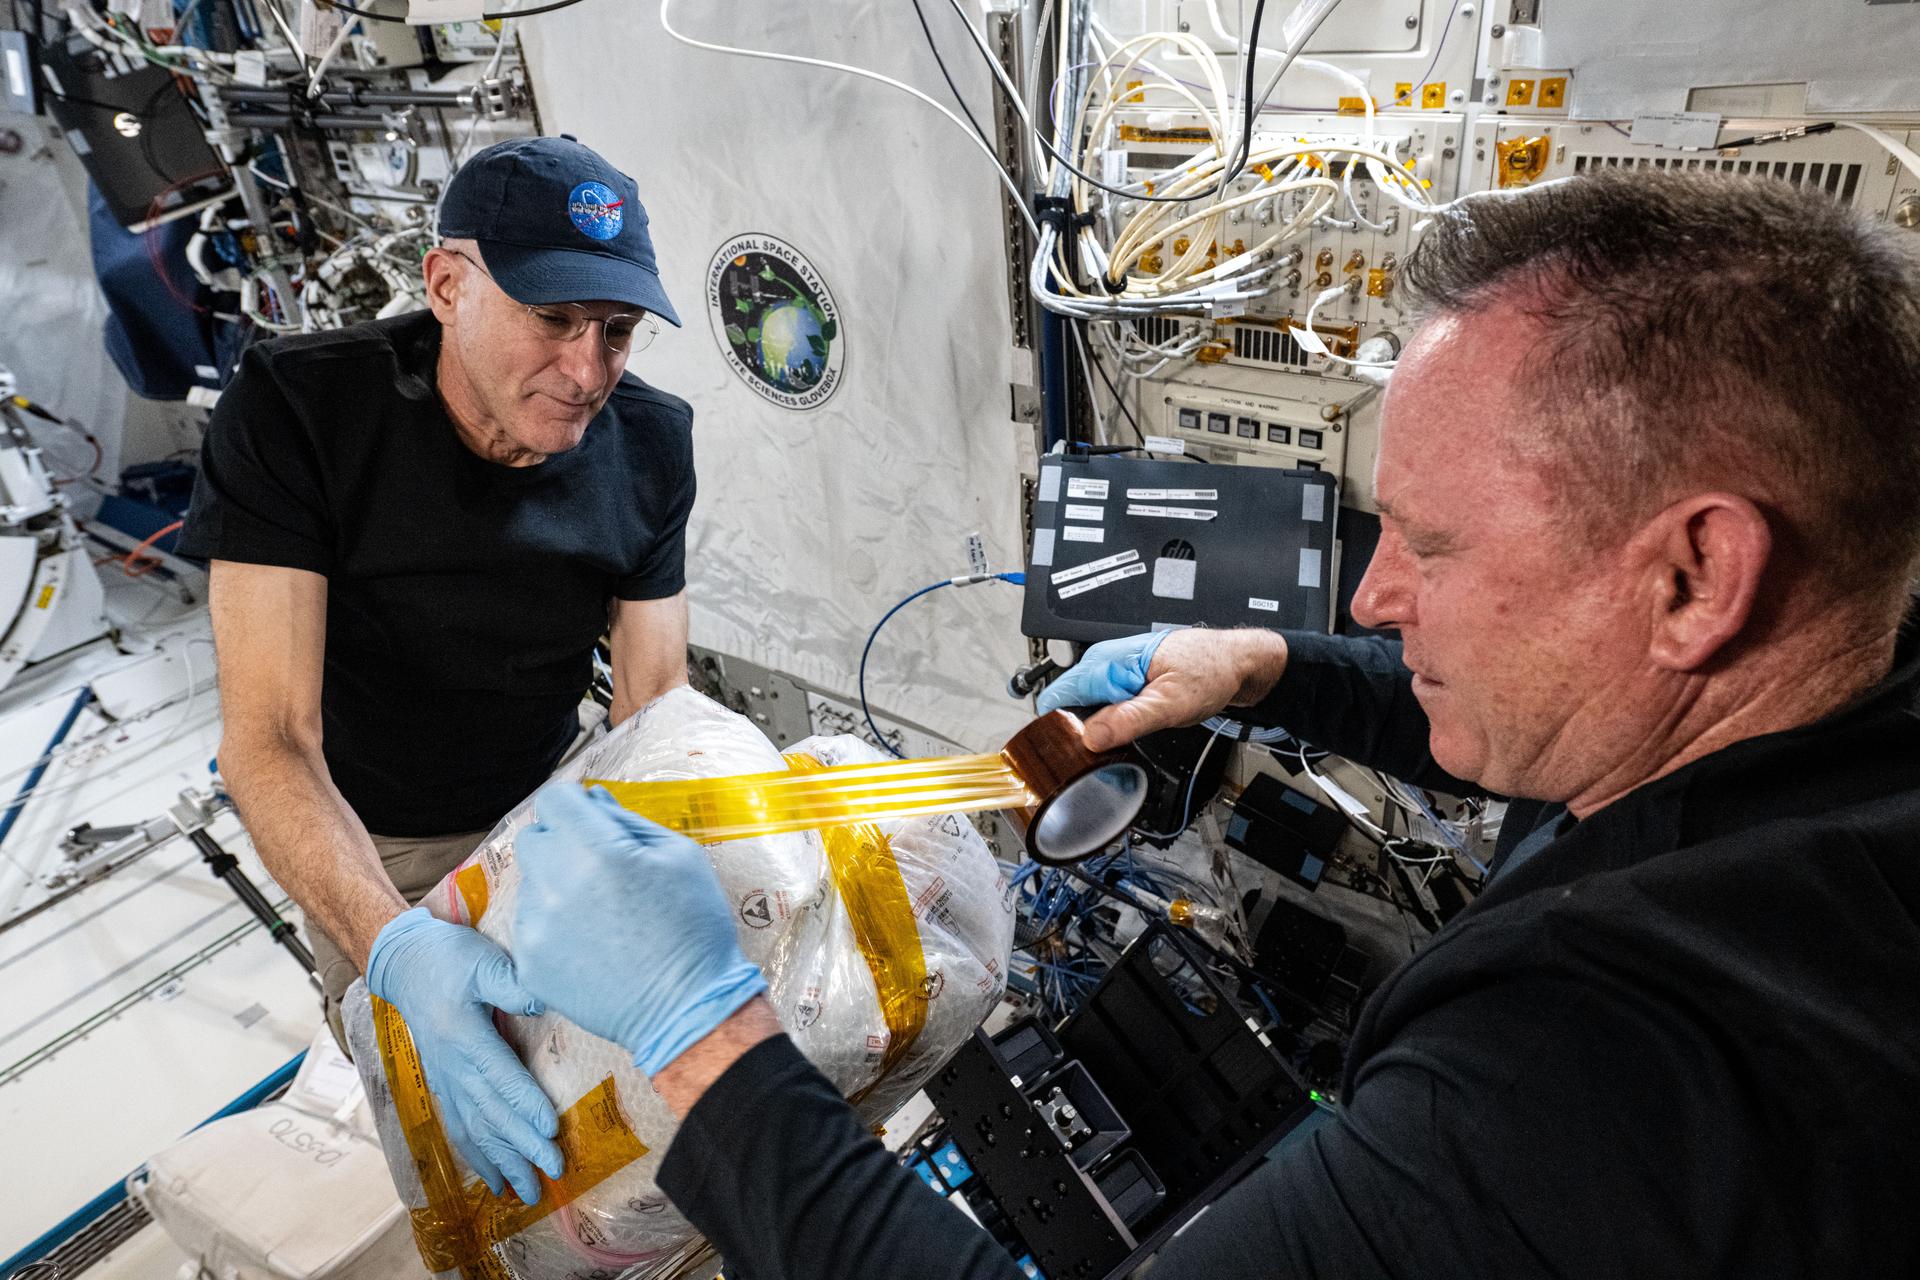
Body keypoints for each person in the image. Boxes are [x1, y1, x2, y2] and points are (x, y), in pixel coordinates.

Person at [503, 168, 1920, 1278]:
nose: (1373, 592)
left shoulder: (1619, 1070)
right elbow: (1567, 703)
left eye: (1431, 545)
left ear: (1694, 574)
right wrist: (1251, 664)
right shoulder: (1833, 673)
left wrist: (701, 1041)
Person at [181, 135, 696, 1206]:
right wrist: (395, 944)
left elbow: (655, 707)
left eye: (617, 331)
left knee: (620, 1131)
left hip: (556, 804)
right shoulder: (302, 412)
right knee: (473, 1158)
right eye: (552, 320)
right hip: (375, 840)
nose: (588, 370)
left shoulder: (651, 442)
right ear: (448, 284)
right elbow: (269, 739)